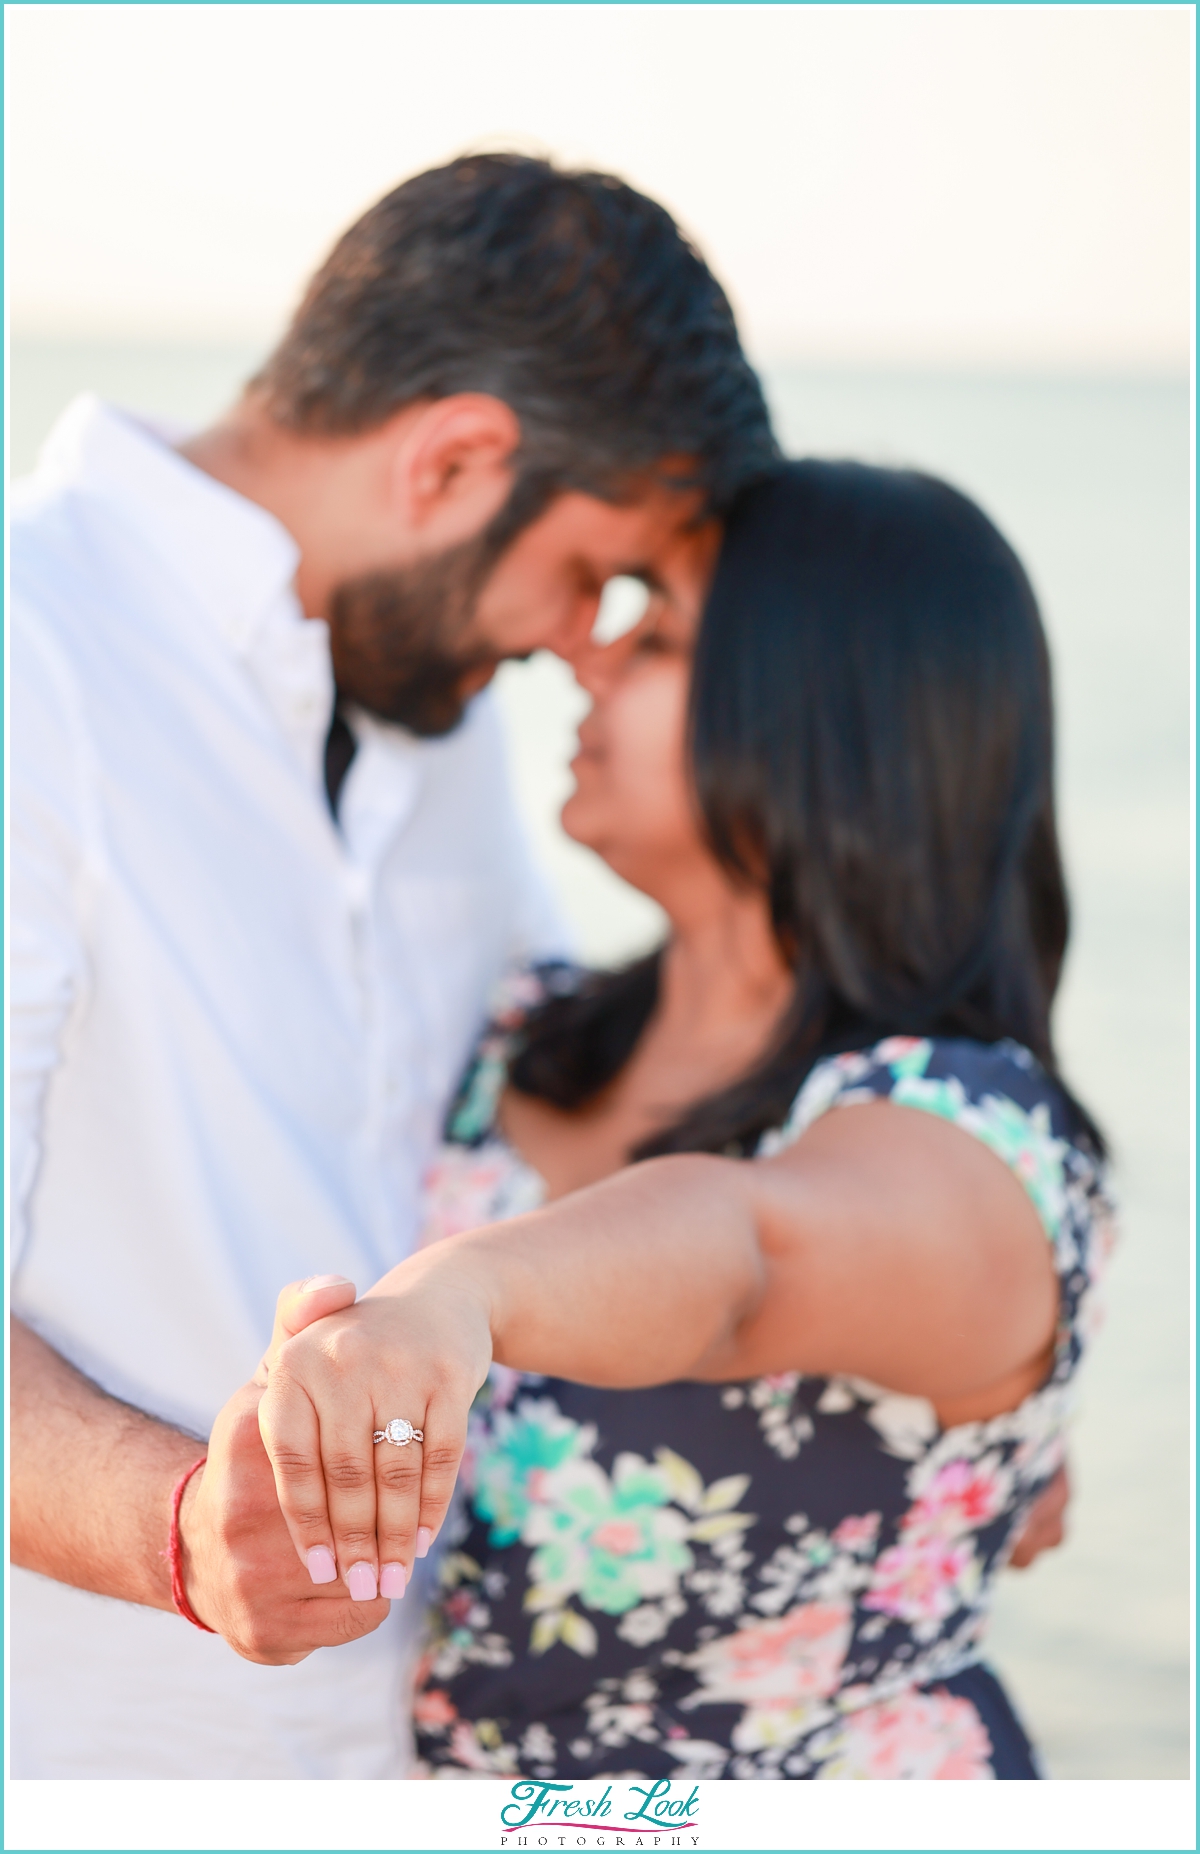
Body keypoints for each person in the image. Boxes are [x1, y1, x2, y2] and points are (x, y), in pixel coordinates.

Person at [8, 153, 779, 1779]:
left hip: (427, 1764)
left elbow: (563, 1128)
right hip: (97, 1762)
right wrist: (184, 1528)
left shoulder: (438, 726)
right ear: (454, 459)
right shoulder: (30, 654)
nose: (583, 640)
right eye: (588, 573)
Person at [254, 461, 1115, 1780]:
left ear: (826, 719)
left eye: (654, 634)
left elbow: (747, 1251)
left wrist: (457, 1296)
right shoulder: (521, 1033)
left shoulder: (976, 1135)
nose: (586, 662)